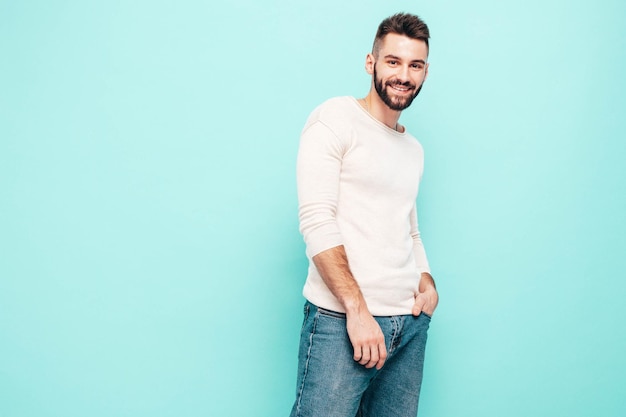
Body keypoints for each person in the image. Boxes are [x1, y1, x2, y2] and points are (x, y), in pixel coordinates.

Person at [290, 12, 439, 417]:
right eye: (393, 62)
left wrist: (425, 279)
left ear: (425, 72)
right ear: (370, 63)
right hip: (341, 322)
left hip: (407, 327)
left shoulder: (414, 150)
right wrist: (356, 312)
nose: (403, 75)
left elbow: (408, 227)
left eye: (415, 65)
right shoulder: (334, 119)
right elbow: (317, 219)